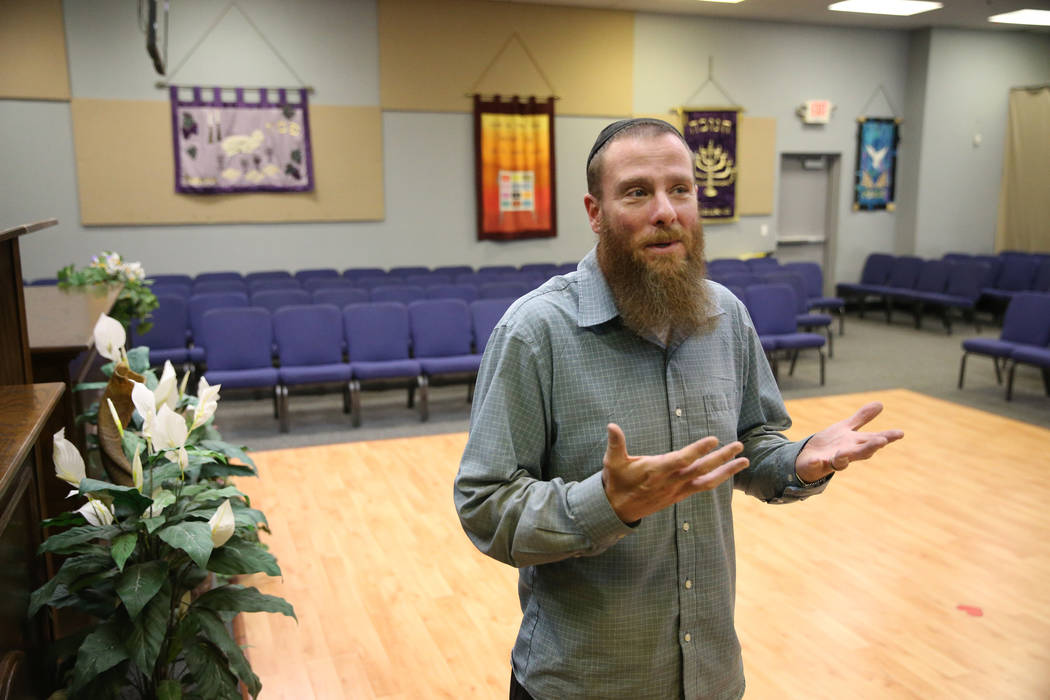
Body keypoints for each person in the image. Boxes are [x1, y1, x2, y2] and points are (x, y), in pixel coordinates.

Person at [453, 118, 903, 700]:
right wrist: (606, 503)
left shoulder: (726, 316)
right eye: (638, 191)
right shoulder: (536, 332)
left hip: (711, 677)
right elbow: (484, 502)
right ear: (595, 212)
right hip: (585, 682)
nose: (665, 210)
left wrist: (799, 460)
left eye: (681, 189)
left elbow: (752, 444)